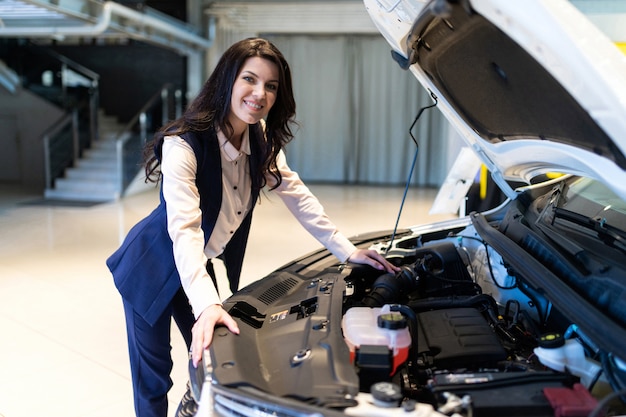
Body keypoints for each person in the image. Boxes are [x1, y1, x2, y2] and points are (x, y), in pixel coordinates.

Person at [106, 37, 399, 417]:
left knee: (210, 356)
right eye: (250, 79)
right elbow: (185, 230)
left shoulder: (260, 138)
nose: (259, 94)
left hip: (195, 263)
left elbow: (297, 195)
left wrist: (349, 250)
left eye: (271, 85)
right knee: (154, 376)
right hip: (151, 266)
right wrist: (208, 303)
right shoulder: (184, 144)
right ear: (227, 80)